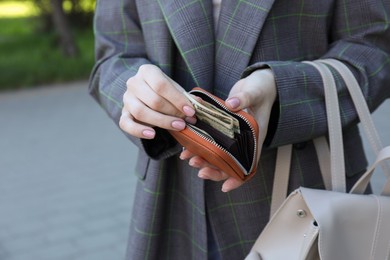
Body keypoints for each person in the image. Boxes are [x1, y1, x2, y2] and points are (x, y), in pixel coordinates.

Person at [89, 0, 390, 259]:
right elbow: (114, 55)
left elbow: (375, 48)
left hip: (307, 196)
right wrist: (137, 96)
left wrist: (282, 91)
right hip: (173, 199)